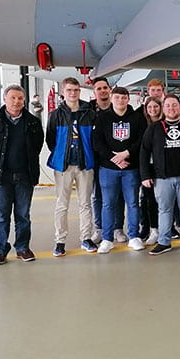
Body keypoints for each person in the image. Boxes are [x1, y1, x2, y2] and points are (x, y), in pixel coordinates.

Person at [0, 84, 44, 265]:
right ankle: (0, 249)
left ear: (24, 101)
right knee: (1, 215)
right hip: (0, 177)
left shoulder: (32, 122)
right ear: (5, 99)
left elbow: (37, 146)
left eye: (20, 98)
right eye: (13, 98)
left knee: (23, 215)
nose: (16, 101)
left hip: (25, 176)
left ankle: (22, 247)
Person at [93, 86, 147, 254]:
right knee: (108, 204)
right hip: (108, 169)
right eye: (117, 98)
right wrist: (114, 158)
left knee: (132, 203)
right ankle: (107, 239)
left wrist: (126, 153)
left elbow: (142, 141)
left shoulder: (138, 118)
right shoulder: (102, 118)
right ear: (112, 98)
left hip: (131, 168)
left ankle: (134, 237)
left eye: (123, 98)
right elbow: (97, 142)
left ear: (128, 99)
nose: (120, 101)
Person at [46, 77, 96, 257]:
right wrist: (61, 154)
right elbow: (50, 139)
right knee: (62, 205)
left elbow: (93, 139)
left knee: (85, 203)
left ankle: (86, 238)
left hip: (85, 164)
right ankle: (60, 241)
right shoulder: (55, 115)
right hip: (63, 165)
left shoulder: (89, 113)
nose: (73, 93)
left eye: (76, 90)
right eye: (69, 90)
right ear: (63, 92)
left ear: (79, 91)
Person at [140, 94, 180, 255]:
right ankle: (164, 241)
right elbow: (144, 151)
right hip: (162, 177)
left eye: (174, 105)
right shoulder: (155, 128)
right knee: (164, 209)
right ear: (163, 109)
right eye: (168, 106)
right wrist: (145, 175)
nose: (171, 108)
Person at [89, 76, 124, 244]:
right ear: (94, 91)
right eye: (99, 88)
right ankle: (100, 228)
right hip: (95, 160)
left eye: (105, 88)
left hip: (117, 161)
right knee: (97, 195)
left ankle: (117, 228)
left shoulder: (119, 109)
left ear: (109, 90)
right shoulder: (88, 111)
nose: (102, 91)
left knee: (118, 196)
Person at [139, 96, 163, 246]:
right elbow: (143, 151)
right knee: (149, 200)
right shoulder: (143, 125)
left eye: (156, 107)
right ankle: (152, 228)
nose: (153, 110)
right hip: (148, 168)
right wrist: (145, 173)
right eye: (150, 107)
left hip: (164, 168)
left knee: (166, 202)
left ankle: (168, 228)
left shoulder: (166, 123)